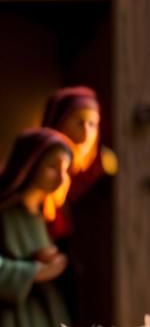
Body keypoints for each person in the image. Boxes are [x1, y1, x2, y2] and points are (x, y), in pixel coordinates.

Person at [0, 129, 74, 327]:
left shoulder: (40, 213)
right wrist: (34, 272)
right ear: (29, 165)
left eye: (66, 169)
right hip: (11, 324)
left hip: (41, 318)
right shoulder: (5, 213)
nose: (61, 177)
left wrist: (37, 258)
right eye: (52, 167)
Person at [40, 86, 117, 240]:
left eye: (92, 124)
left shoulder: (101, 164)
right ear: (59, 121)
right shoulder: (40, 164)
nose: (87, 132)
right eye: (79, 122)